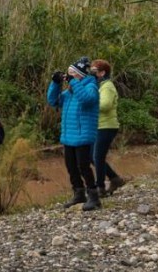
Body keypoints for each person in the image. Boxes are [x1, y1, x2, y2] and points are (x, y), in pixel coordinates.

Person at [47, 57, 100, 211]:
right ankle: (78, 194)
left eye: (71, 74)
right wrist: (55, 83)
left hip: (83, 135)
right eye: (67, 74)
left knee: (84, 166)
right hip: (69, 136)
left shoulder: (91, 87)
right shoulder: (69, 92)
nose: (68, 77)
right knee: (71, 166)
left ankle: (94, 197)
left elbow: (86, 100)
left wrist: (73, 82)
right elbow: (53, 101)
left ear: (80, 75)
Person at [91, 59, 126, 199]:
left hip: (107, 126)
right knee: (91, 157)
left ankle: (100, 188)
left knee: (97, 156)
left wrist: (90, 103)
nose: (91, 74)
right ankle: (114, 179)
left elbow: (105, 105)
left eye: (94, 71)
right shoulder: (99, 86)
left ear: (102, 72)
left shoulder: (107, 86)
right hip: (98, 126)